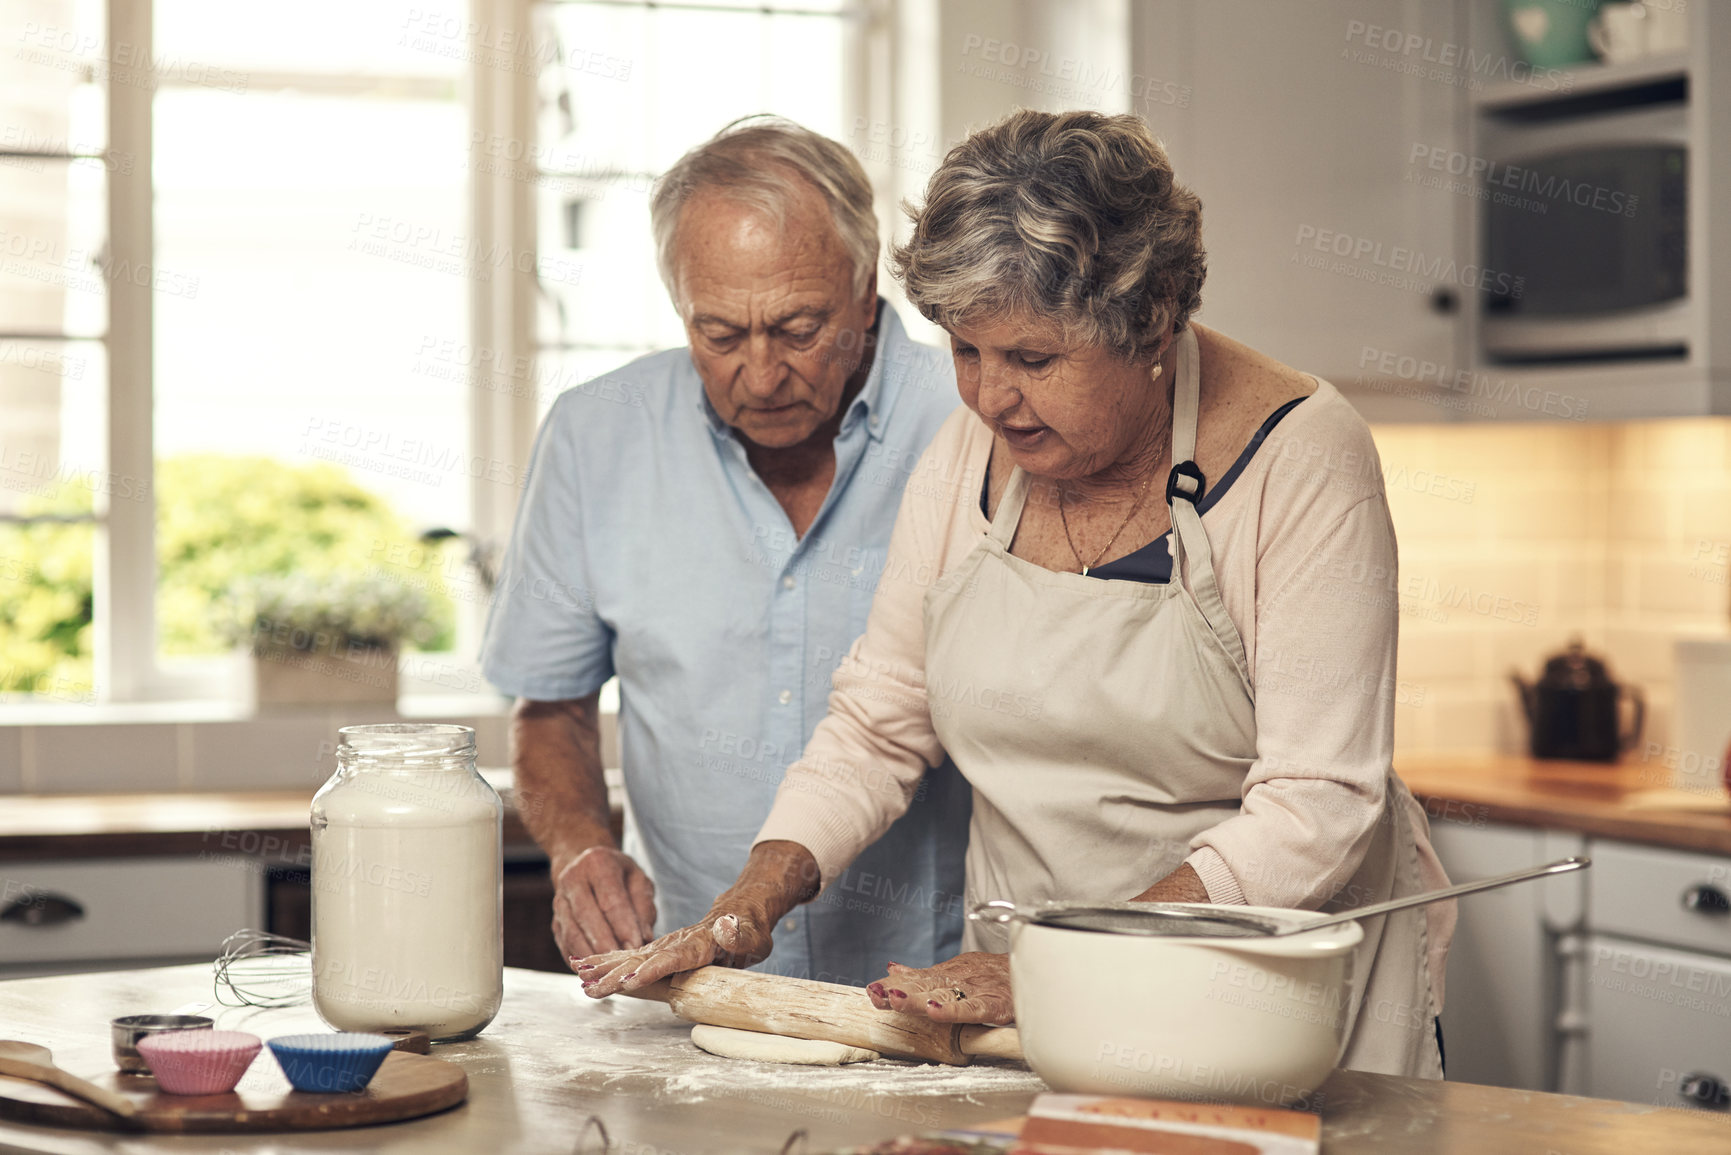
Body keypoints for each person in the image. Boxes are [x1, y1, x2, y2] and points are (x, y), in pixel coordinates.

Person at [572, 109, 1456, 1080]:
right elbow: (880, 721)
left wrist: (1055, 963)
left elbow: (1317, 804)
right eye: (965, 352)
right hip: (1020, 1006)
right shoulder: (974, 455)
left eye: (1034, 360)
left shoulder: (1302, 458)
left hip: (1255, 1003)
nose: (990, 399)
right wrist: (747, 906)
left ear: (1153, 322)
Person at [480, 116, 971, 990]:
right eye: (718, 334)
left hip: (934, 984)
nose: (760, 372)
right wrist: (580, 849)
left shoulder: (975, 424)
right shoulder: (596, 438)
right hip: (690, 991)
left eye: (796, 328)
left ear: (867, 289)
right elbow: (548, 707)